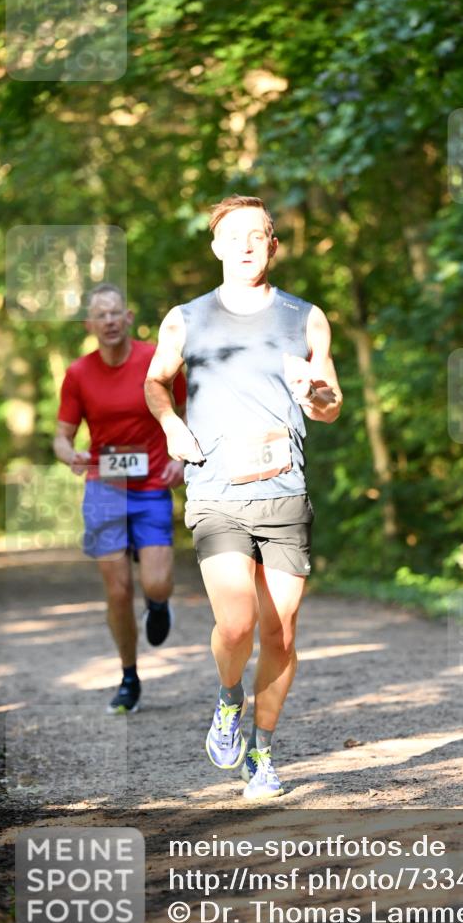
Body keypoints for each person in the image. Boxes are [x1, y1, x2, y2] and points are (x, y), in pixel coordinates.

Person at [145, 195, 342, 799]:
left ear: (273, 245)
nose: (248, 245)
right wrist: (173, 425)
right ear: (216, 246)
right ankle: (228, 699)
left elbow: (330, 404)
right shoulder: (186, 318)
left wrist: (319, 397)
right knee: (235, 624)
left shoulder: (304, 317)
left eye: (259, 235)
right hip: (216, 487)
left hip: (284, 489)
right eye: (236, 236)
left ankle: (260, 753)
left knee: (279, 632)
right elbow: (155, 381)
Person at [53, 283, 187, 714]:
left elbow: (186, 413)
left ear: (128, 318)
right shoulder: (78, 374)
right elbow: (62, 435)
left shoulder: (156, 361)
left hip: (150, 487)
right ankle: (129, 676)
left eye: (116, 313)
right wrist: (68, 454)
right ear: (90, 325)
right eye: (100, 315)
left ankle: (159, 602)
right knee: (117, 592)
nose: (109, 321)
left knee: (156, 583)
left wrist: (181, 458)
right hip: (104, 488)